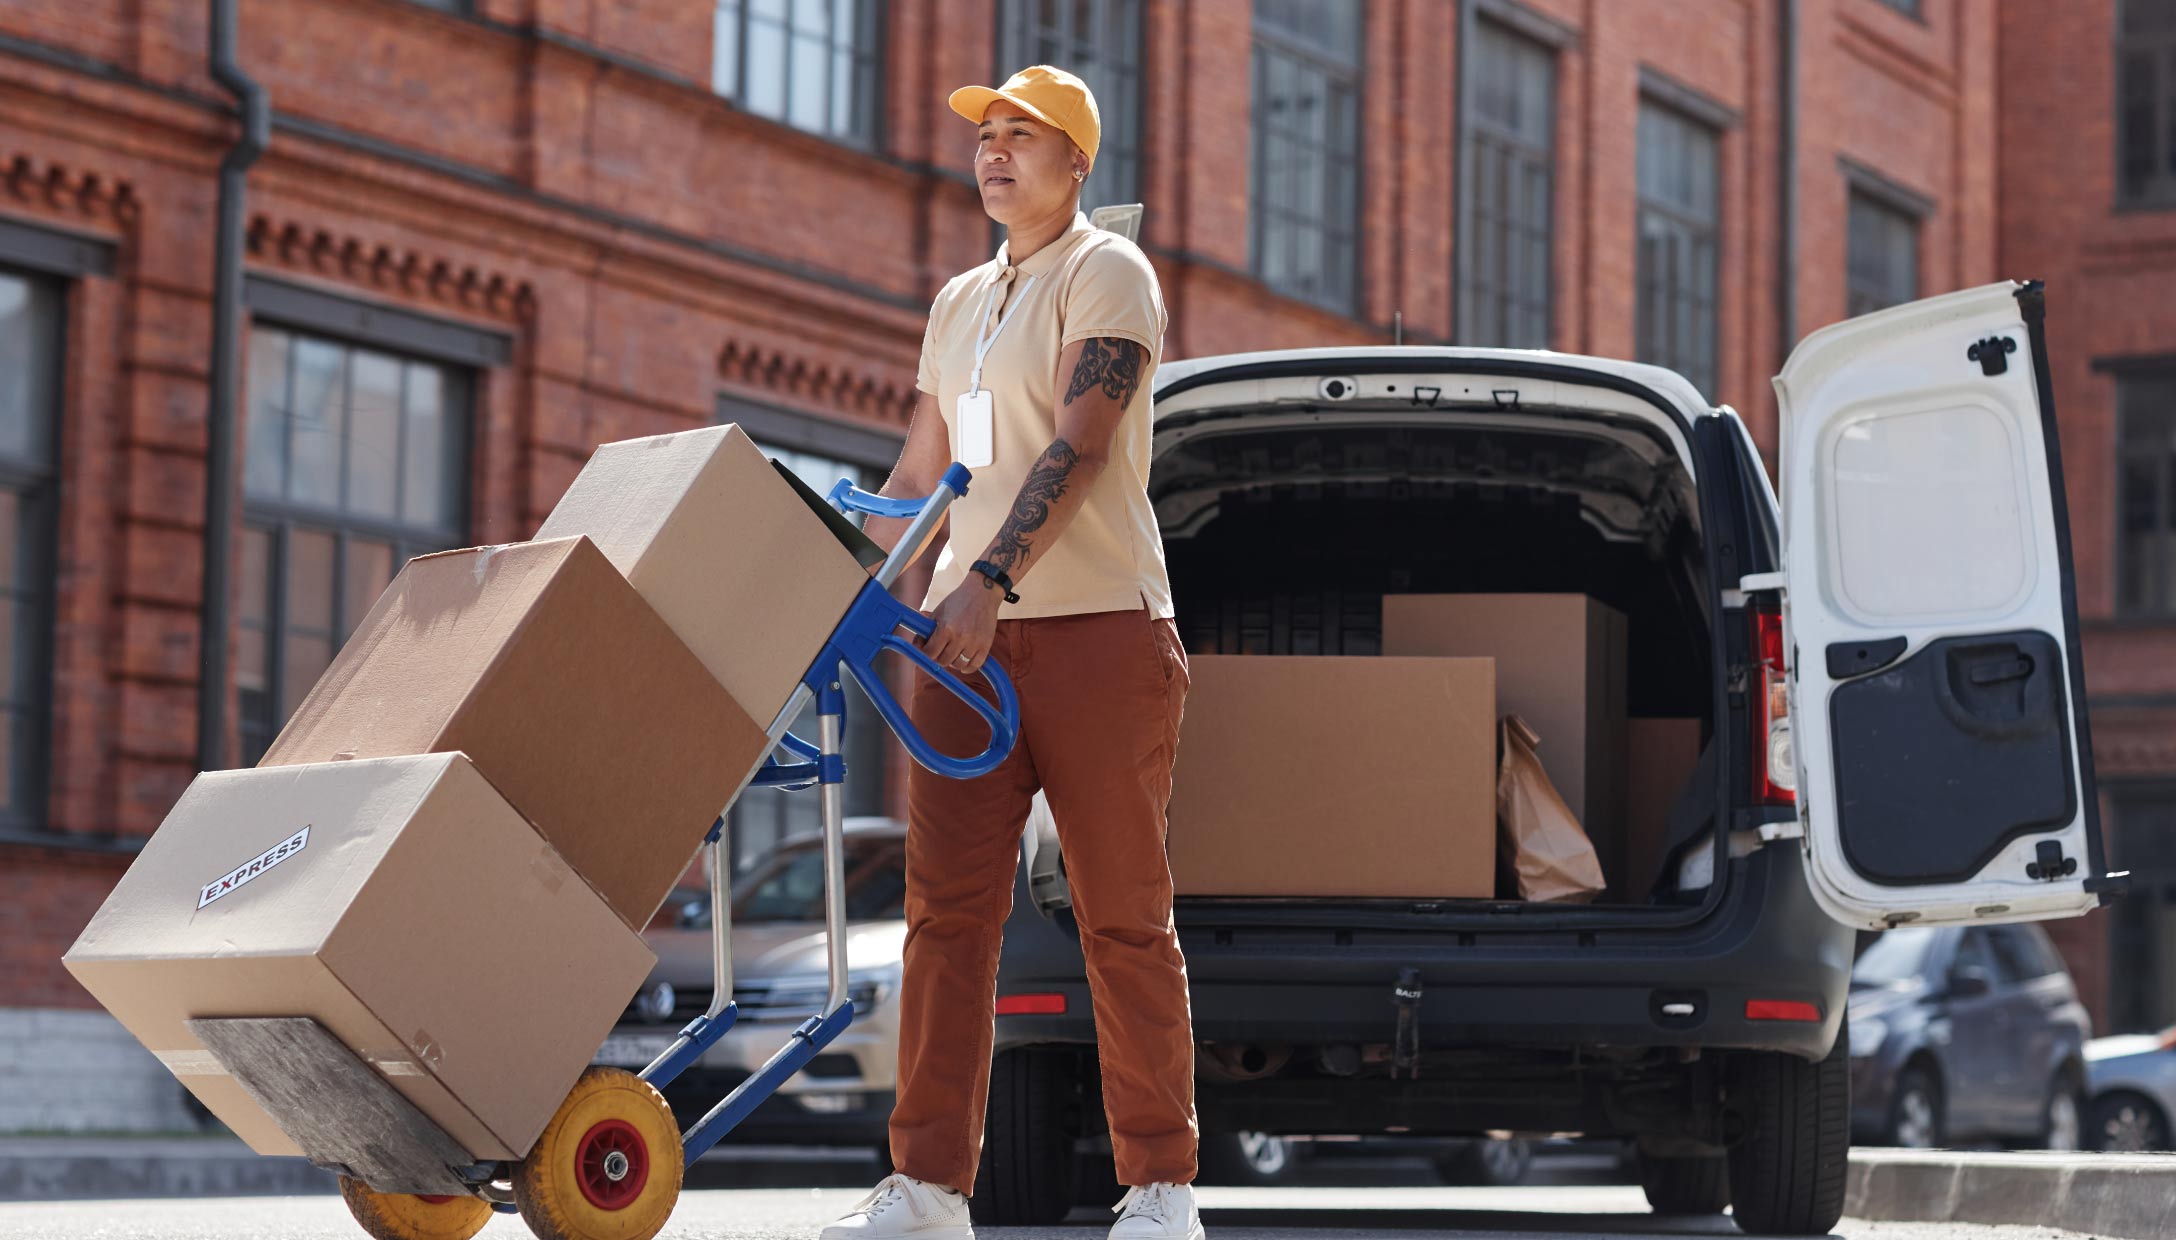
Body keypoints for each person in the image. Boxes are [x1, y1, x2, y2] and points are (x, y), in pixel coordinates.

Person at [820, 64, 1201, 1240]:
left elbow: (1079, 445)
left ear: (1076, 161)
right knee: (945, 916)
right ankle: (929, 1189)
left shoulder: (1108, 272)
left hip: (1100, 632)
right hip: (957, 645)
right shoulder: (958, 301)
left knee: (1121, 913)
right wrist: (835, 580)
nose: (993, 151)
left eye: (1022, 134)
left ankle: (1161, 1188)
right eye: (985, 134)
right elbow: (919, 470)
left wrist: (990, 578)